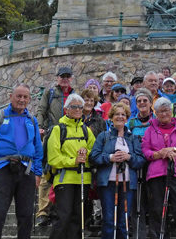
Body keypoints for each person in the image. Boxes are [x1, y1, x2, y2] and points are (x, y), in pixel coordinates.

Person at [0, 84, 43, 239]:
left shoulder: (32, 120)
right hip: (3, 168)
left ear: (29, 99)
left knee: (26, 215)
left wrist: (38, 172)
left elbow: (38, 148)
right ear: (11, 97)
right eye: (18, 96)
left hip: (26, 170)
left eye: (25, 97)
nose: (21, 100)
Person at [89, 102, 145, 239]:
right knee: (108, 218)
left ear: (127, 118)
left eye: (123, 114)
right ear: (111, 117)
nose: (120, 117)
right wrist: (110, 157)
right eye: (117, 114)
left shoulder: (132, 138)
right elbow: (93, 157)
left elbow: (140, 160)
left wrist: (129, 157)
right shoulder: (103, 136)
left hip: (127, 183)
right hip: (108, 183)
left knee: (123, 219)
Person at [142, 98, 176, 239]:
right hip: (156, 174)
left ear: (171, 112)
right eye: (161, 111)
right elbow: (145, 151)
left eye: (167, 110)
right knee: (158, 210)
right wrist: (159, 154)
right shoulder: (150, 130)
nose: (164, 114)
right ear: (156, 113)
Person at [47, 93, 96, 239]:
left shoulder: (86, 131)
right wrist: (73, 161)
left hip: (83, 179)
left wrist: (86, 153)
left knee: (78, 218)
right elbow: (53, 158)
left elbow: (95, 151)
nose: (77, 109)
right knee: (64, 216)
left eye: (80, 107)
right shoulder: (57, 130)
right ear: (66, 109)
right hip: (64, 179)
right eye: (74, 106)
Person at [36, 66, 76, 228]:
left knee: (62, 174)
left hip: (68, 136)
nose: (65, 79)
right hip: (52, 133)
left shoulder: (74, 95)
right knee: (47, 172)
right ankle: (43, 212)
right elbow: (41, 110)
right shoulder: (50, 93)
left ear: (71, 78)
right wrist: (39, 126)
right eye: (62, 76)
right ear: (57, 78)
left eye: (67, 76)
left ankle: (55, 210)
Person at [127, 88, 154, 239]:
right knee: (137, 204)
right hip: (136, 165)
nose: (142, 103)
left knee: (154, 201)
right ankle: (139, 234)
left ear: (151, 102)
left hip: (153, 166)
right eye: (139, 101)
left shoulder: (156, 121)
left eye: (145, 100)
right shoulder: (131, 123)